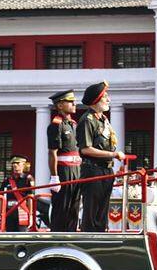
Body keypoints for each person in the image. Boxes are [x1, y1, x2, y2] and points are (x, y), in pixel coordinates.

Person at [77, 81, 124, 232]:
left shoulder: (104, 120)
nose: (108, 100)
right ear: (96, 100)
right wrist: (113, 154)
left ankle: (100, 234)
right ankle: (90, 238)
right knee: (92, 210)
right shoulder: (87, 120)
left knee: (102, 210)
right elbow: (86, 149)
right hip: (93, 170)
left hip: (106, 170)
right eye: (105, 97)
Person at [46, 89, 82, 232]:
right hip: (63, 170)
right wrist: (55, 177)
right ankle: (58, 237)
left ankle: (71, 235)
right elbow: (52, 153)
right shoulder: (56, 125)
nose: (74, 104)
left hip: (76, 169)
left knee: (74, 206)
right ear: (60, 105)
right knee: (62, 207)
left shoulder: (73, 124)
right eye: (70, 101)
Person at [0, 155, 35, 232]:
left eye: (18, 163)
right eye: (14, 164)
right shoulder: (7, 180)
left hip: (22, 211)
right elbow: (1, 197)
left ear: (24, 165)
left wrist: (31, 215)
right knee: (9, 237)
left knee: (22, 237)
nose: (15, 166)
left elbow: (30, 197)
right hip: (9, 211)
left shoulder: (28, 178)